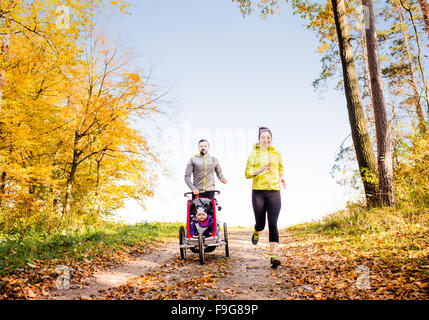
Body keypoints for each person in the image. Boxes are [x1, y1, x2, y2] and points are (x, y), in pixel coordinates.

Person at [245, 126, 286, 268]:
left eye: (268, 137)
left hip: (274, 191)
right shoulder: (253, 154)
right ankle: (256, 231)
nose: (266, 139)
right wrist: (260, 170)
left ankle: (274, 256)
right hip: (258, 191)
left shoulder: (277, 154)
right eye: (263, 137)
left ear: (271, 139)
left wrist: (282, 178)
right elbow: (247, 173)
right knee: (261, 224)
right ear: (259, 139)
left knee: (273, 223)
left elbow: (280, 168)